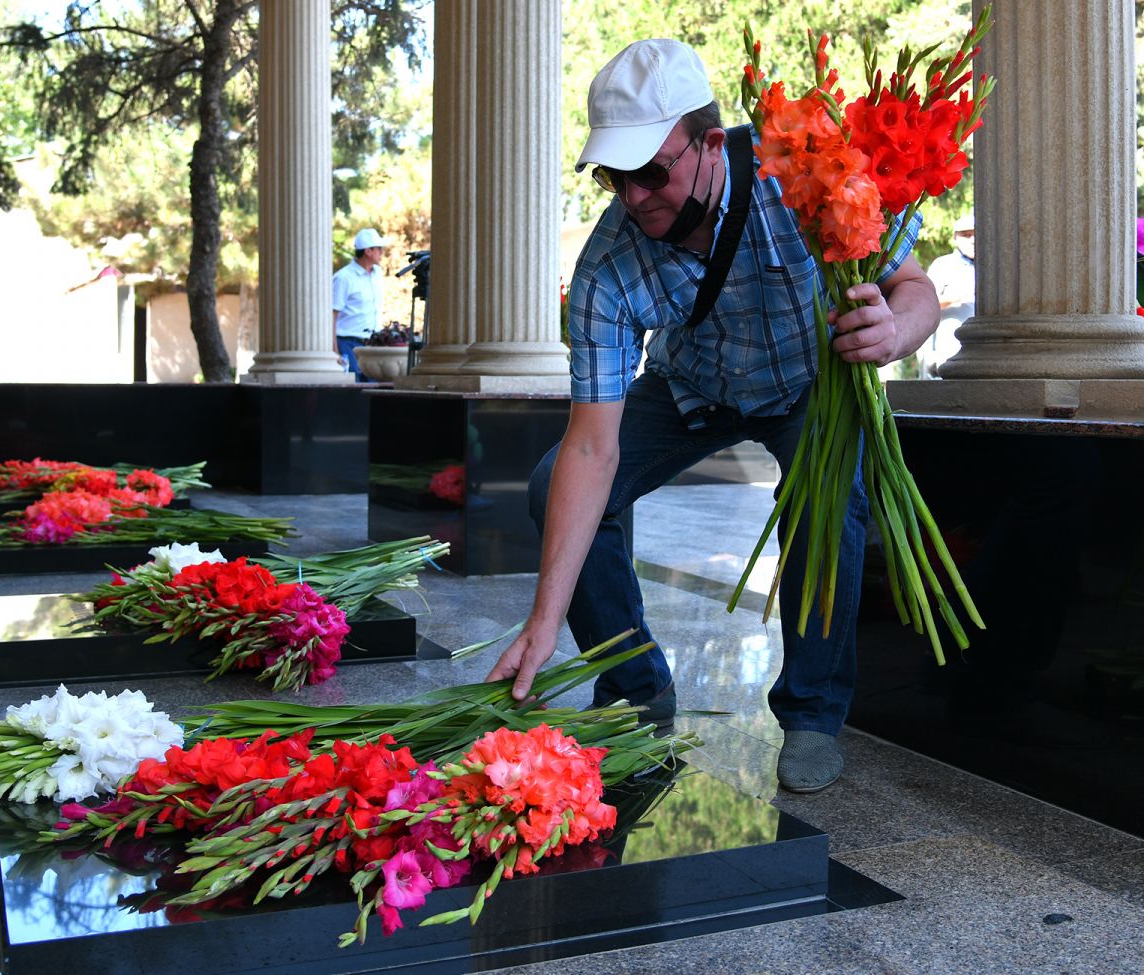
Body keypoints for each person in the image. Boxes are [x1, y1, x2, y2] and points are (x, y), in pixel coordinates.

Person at [483, 39, 939, 794]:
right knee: (548, 484)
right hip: (689, 387)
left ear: (711, 142)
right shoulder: (607, 267)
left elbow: (916, 288)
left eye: (651, 171)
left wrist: (896, 331)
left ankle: (813, 711)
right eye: (613, 176)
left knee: (831, 496)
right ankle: (633, 685)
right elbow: (592, 449)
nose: (632, 197)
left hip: (806, 383)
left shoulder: (804, 173)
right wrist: (543, 618)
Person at [922, 213, 976, 377]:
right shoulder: (943, 265)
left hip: (984, 353)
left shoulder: (992, 266)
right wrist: (955, 297)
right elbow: (924, 306)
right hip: (950, 352)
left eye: (976, 234)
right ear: (955, 238)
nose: (972, 240)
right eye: (966, 235)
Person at [332, 228, 387, 381]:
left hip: (372, 344)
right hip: (348, 344)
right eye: (379, 249)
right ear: (368, 251)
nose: (381, 253)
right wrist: (335, 352)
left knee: (372, 391)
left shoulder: (378, 274)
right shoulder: (343, 278)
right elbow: (331, 315)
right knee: (353, 392)